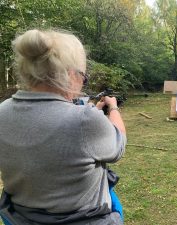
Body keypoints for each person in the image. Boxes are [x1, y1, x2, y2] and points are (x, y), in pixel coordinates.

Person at [0, 29, 126, 225]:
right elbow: (118, 144)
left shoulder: (3, 111)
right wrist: (114, 108)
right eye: (83, 78)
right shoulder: (86, 119)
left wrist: (90, 111)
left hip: (19, 218)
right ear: (71, 74)